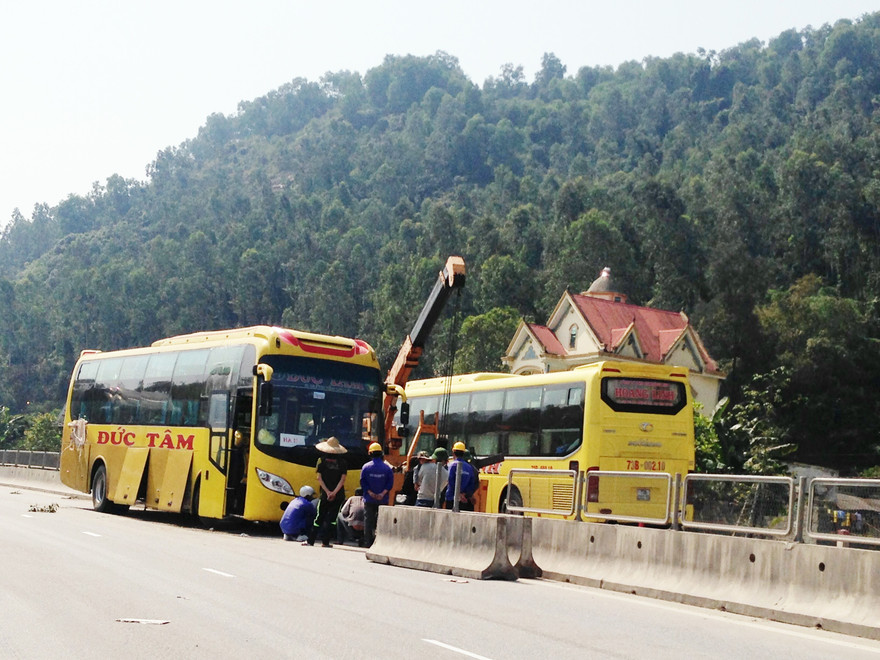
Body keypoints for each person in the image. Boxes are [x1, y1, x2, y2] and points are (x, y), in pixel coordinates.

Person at [305, 436, 347, 547]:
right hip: (338, 496)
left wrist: (328, 492)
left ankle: (311, 541)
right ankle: (326, 542)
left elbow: (319, 478)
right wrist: (334, 493)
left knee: (319, 517)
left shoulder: (321, 460)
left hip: (324, 495)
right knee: (332, 519)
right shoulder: (343, 462)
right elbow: (342, 480)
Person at [360, 441, 394, 547]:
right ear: (381, 453)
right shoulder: (387, 468)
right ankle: (379, 542)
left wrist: (370, 493)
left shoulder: (365, 467)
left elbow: (363, 482)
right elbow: (390, 483)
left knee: (368, 521)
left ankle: (368, 542)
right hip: (382, 499)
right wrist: (382, 494)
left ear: (370, 453)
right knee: (381, 521)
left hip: (369, 499)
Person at [445, 441, 477, 511]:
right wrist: (464, 494)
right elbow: (472, 483)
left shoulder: (452, 465)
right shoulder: (469, 467)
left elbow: (450, 480)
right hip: (464, 500)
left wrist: (458, 494)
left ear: (453, 452)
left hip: (452, 498)